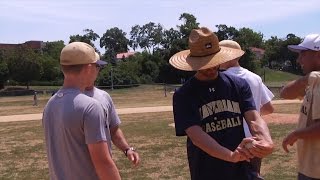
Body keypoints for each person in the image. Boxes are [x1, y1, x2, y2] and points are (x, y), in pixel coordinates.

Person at [169, 27, 274, 180]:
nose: (211, 67)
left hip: (241, 168)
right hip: (207, 171)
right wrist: (230, 155)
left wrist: (266, 139)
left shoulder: (238, 85)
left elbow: (254, 118)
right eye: (204, 63)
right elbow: (196, 136)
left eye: (213, 61)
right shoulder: (184, 95)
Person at [42, 42, 121, 180]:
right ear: (89, 68)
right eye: (97, 66)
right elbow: (103, 163)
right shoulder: (90, 107)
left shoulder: (50, 105)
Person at [219, 40, 275, 179]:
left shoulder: (222, 79)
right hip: (254, 140)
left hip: (231, 141)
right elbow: (269, 107)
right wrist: (251, 114)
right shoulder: (254, 77)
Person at [84, 52, 140, 166]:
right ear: (88, 68)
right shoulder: (65, 101)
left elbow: (113, 130)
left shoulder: (104, 96)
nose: (99, 70)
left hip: (102, 168)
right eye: (97, 66)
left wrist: (127, 149)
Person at [280, 34, 320, 180]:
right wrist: (307, 79)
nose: (298, 60)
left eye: (303, 53)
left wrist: (296, 134)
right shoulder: (314, 80)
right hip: (310, 167)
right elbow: (285, 93)